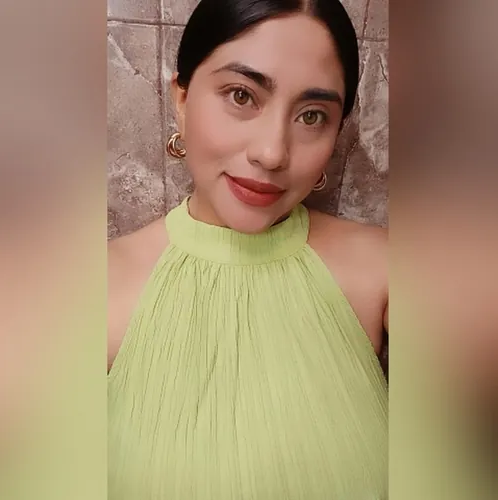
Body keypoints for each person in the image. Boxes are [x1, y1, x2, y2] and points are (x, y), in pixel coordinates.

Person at [108, 0, 388, 498]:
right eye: (241, 95)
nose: (272, 152)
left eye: (312, 116)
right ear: (182, 98)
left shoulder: (386, 268)